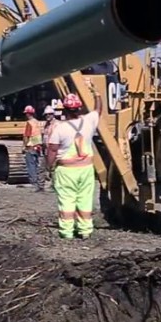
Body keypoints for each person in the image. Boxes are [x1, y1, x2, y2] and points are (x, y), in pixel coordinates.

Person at [46, 84, 102, 239]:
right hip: (86, 169)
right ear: (79, 108)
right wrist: (96, 93)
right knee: (85, 199)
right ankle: (85, 231)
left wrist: (48, 167)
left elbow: (52, 150)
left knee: (67, 200)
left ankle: (67, 232)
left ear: (64, 109)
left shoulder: (59, 128)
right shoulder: (89, 121)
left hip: (66, 170)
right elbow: (98, 110)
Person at [22, 105, 44, 191]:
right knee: (37, 165)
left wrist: (24, 146)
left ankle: (34, 184)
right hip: (37, 146)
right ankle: (39, 183)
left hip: (30, 147)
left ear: (27, 114)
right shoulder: (37, 122)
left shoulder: (29, 123)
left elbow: (26, 136)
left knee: (31, 166)